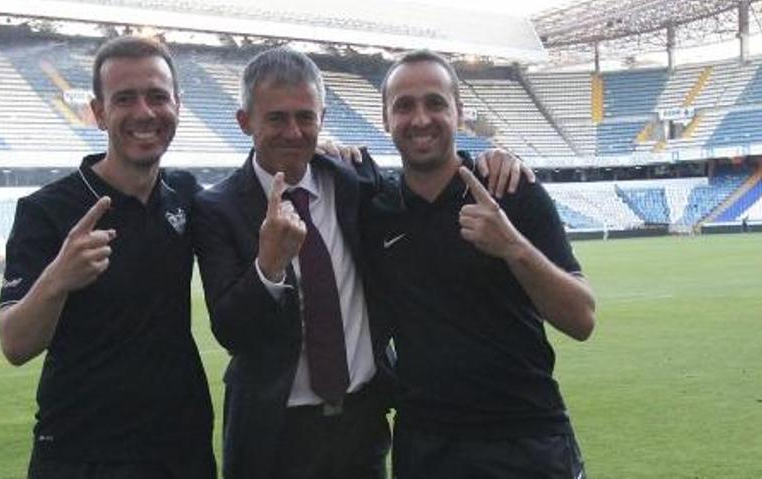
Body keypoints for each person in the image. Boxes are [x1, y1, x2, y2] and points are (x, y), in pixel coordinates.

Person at [192, 47, 529, 479]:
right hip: (273, 437)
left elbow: (429, 184)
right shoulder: (217, 208)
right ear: (245, 122)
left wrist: (493, 159)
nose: (293, 132)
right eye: (276, 118)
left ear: (323, 117)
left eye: (306, 117)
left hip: (361, 427)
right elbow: (231, 331)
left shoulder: (353, 180)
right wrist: (268, 267)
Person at [362, 50, 596, 478]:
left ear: (458, 112)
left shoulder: (511, 192)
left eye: (435, 102)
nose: (420, 119)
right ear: (385, 118)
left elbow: (581, 319)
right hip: (426, 447)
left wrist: (513, 247)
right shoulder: (375, 212)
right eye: (404, 106)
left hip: (528, 440)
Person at [0, 36, 215, 479]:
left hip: (181, 449)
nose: (144, 113)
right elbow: (15, 345)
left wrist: (320, 153)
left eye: (157, 97)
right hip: (82, 454)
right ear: (98, 113)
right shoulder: (46, 210)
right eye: (124, 99)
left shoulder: (187, 196)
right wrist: (58, 279)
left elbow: (259, 181)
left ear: (178, 104)